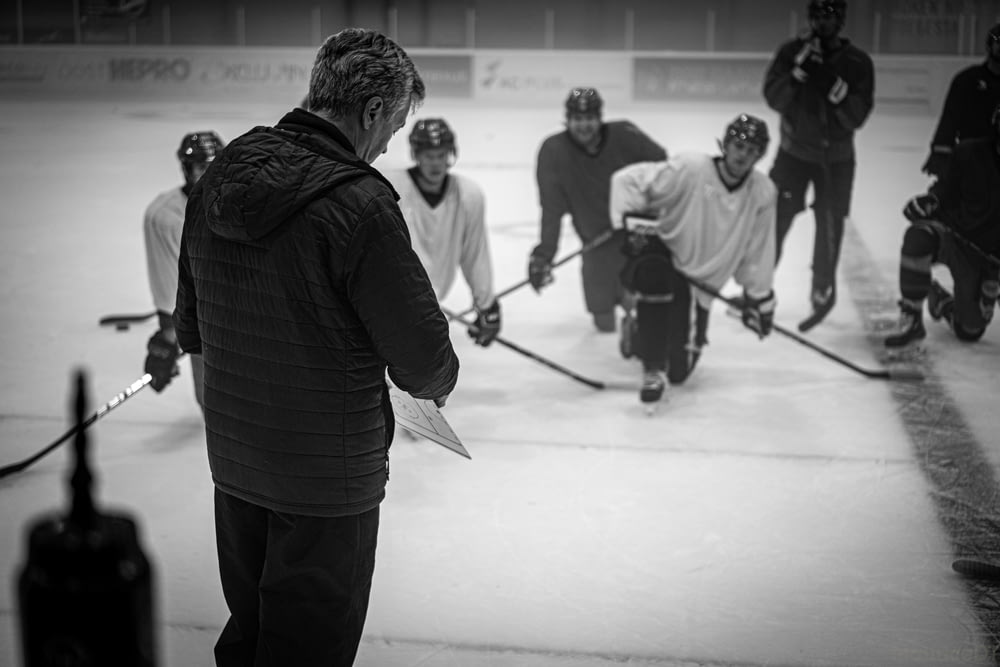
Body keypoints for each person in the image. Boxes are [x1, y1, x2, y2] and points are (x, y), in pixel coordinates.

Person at [174, 28, 459, 666]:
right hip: (326, 481)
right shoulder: (359, 204)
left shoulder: (219, 175)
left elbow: (190, 324)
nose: (388, 146)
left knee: (251, 634)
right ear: (372, 112)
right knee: (307, 649)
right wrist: (435, 384)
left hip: (237, 462)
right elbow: (424, 359)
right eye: (394, 127)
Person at [608, 114, 778, 407]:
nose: (743, 155)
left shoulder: (762, 192)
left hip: (701, 283)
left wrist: (760, 299)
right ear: (726, 144)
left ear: (760, 155)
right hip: (663, 259)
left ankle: (636, 331)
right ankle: (652, 368)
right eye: (739, 145)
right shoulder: (692, 168)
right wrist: (632, 226)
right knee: (655, 274)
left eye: (752, 150)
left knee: (679, 371)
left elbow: (758, 249)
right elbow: (627, 181)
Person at [763, 0, 874, 331]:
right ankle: (759, 285)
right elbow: (773, 97)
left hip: (836, 160)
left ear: (840, 20)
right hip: (793, 156)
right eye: (817, 15)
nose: (822, 22)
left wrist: (831, 84)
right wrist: (797, 74)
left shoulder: (857, 62)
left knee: (830, 225)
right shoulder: (790, 52)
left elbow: (856, 116)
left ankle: (822, 287)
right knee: (774, 219)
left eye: (829, 16)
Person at [528, 86, 667, 333]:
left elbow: (662, 168)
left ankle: (637, 327)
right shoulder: (553, 151)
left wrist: (647, 214)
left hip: (636, 238)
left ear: (600, 118)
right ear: (568, 120)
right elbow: (551, 210)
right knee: (603, 323)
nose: (584, 125)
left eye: (590, 118)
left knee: (641, 306)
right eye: (578, 119)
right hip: (595, 244)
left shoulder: (625, 134)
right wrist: (544, 255)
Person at [884, 101, 1000, 348]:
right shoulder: (969, 153)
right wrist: (929, 202)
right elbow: (944, 192)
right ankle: (912, 317)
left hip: (992, 261)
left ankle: (942, 302)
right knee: (920, 236)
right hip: (959, 240)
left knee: (969, 328)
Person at [386, 117, 501, 346]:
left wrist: (487, 305)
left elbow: (474, 254)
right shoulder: (391, 188)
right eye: (429, 156)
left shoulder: (468, 195)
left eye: (441, 155)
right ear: (416, 155)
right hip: (388, 300)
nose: (436, 163)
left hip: (429, 304)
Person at [141, 131, 224, 411]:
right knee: (211, 400)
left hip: (236, 314)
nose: (210, 175)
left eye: (215, 166)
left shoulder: (233, 201)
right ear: (187, 170)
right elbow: (167, 281)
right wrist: (169, 334)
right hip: (205, 318)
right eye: (203, 168)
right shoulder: (167, 217)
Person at [921, 22, 1000, 180]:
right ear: (989, 46)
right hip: (972, 160)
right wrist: (941, 153)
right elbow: (950, 120)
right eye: (999, 42)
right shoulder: (968, 80)